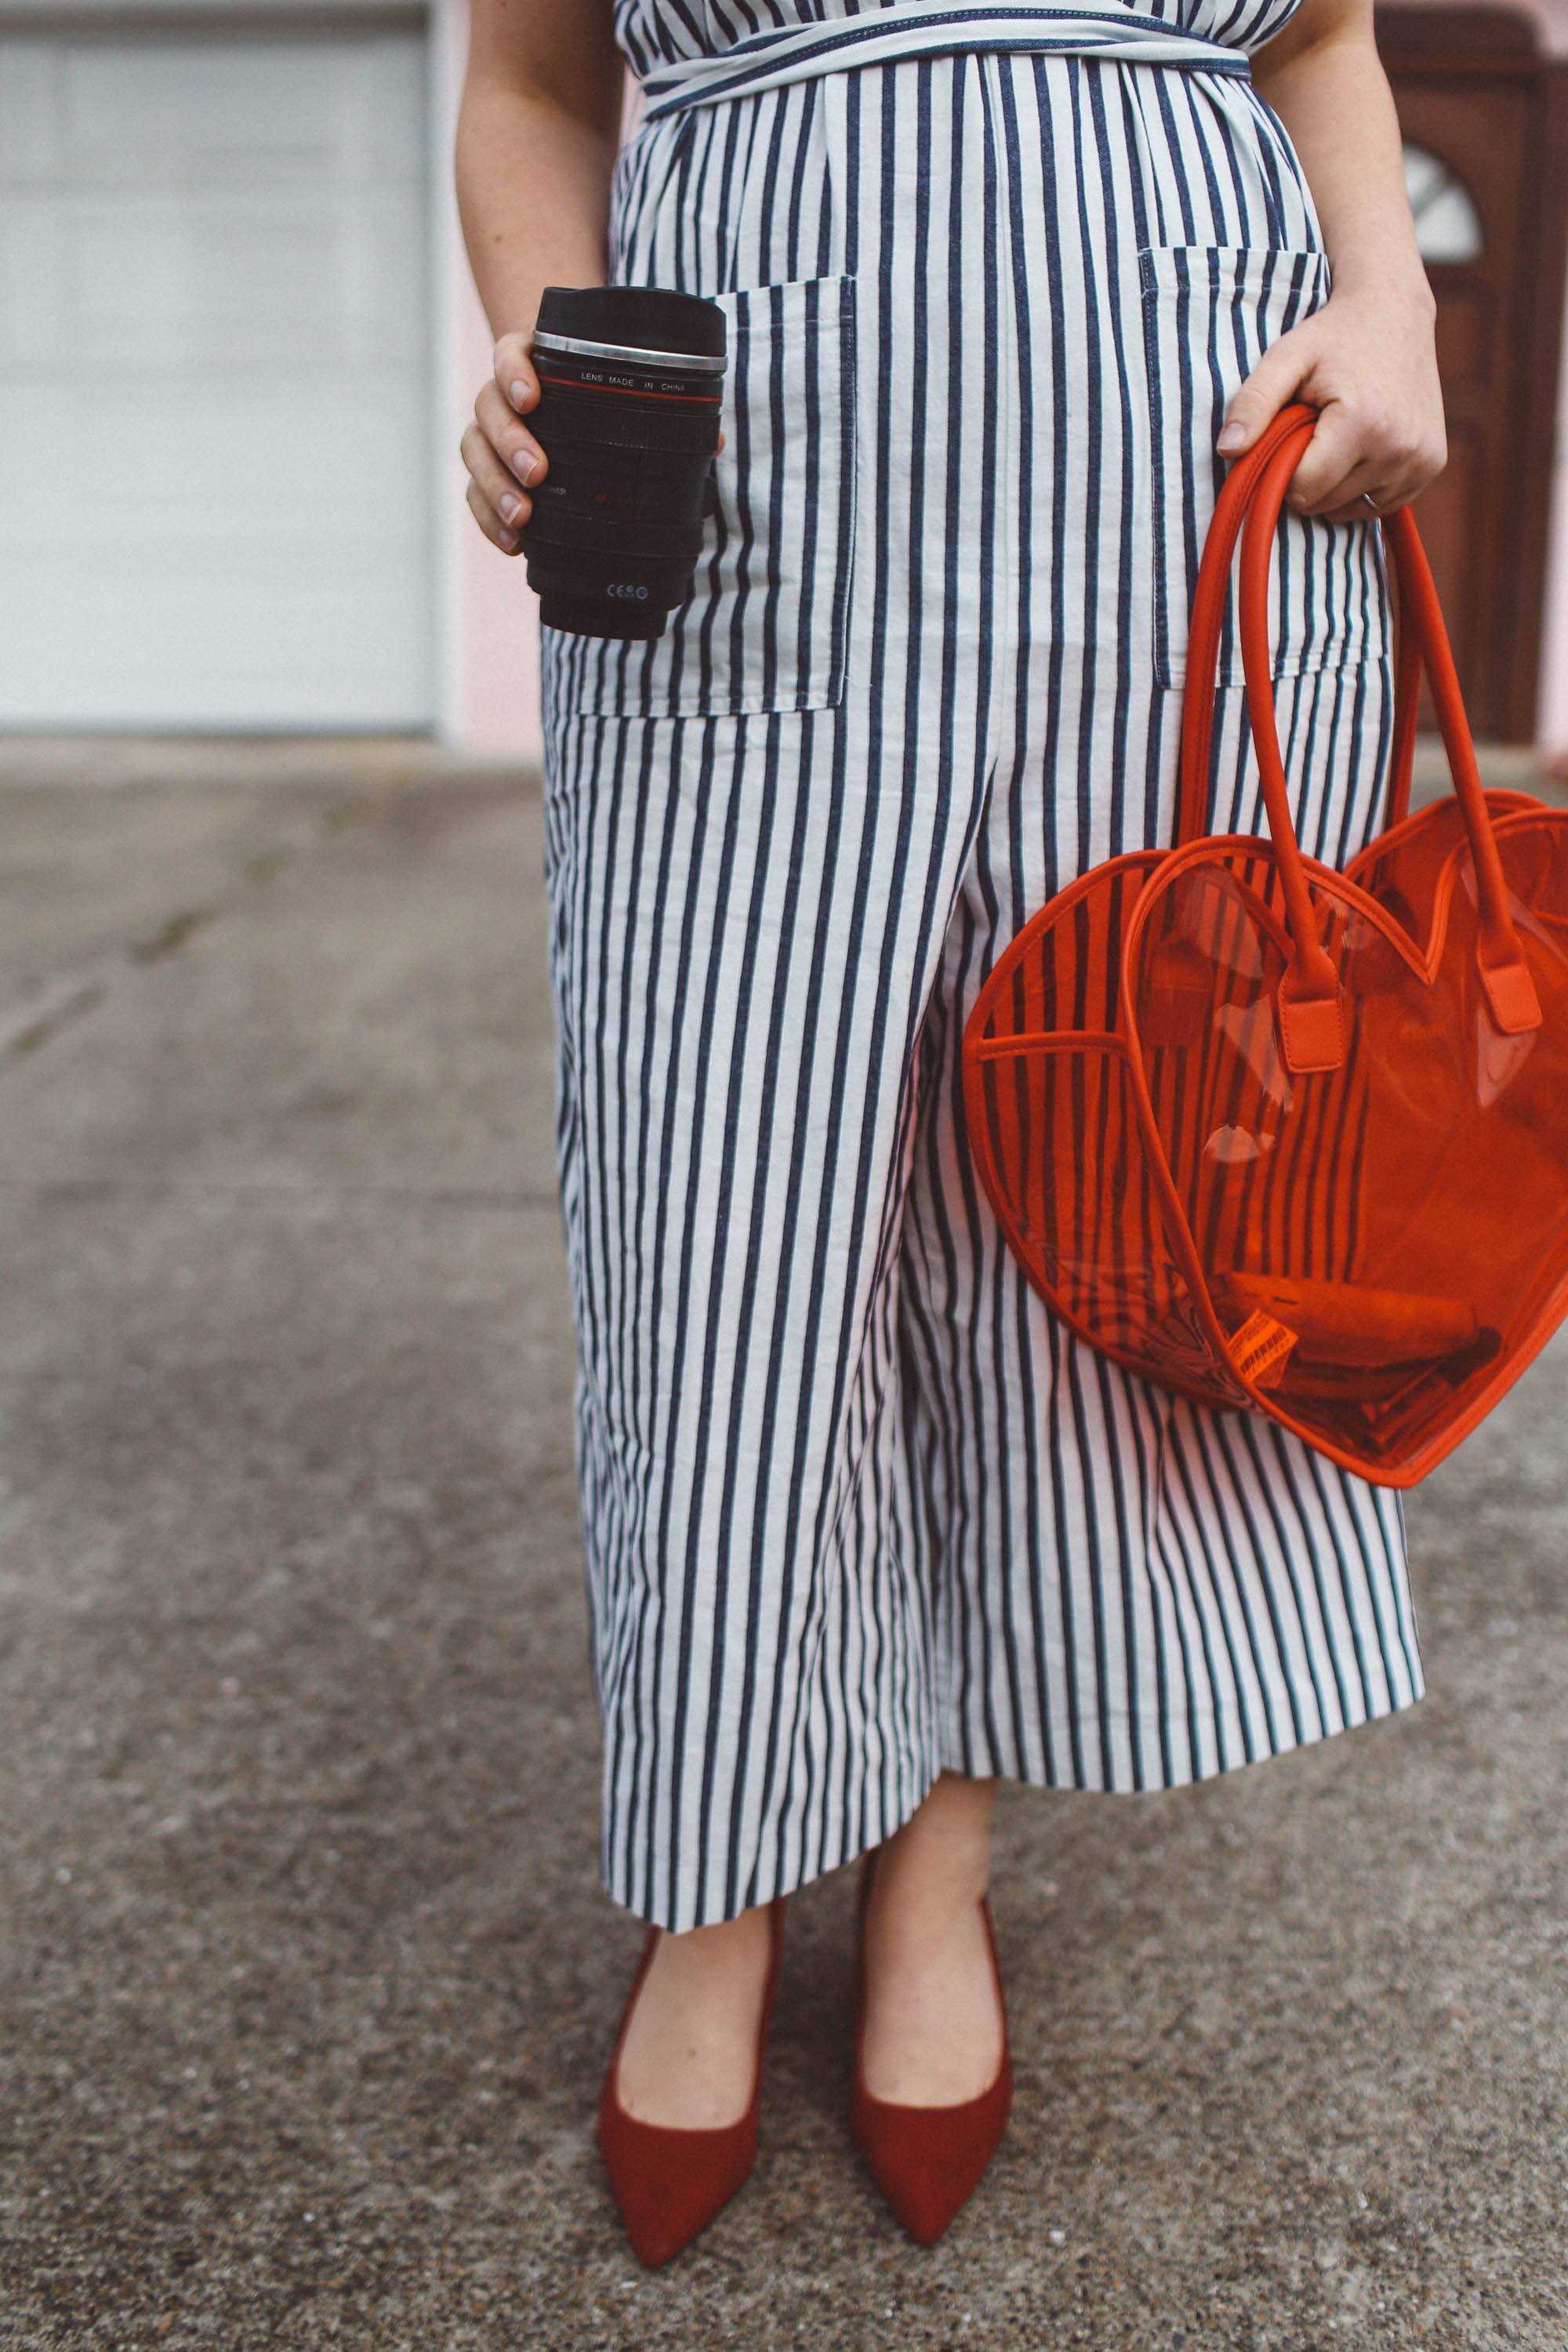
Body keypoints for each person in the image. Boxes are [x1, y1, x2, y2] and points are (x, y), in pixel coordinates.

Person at [456, 0, 1445, 2269]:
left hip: (1191, 511)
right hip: (731, 532)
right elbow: (525, 87)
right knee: (732, 1222)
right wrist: (542, 354)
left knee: (1083, 1204)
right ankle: (721, 1878)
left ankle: (940, 1869)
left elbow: (1324, 36)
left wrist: (1387, 301)